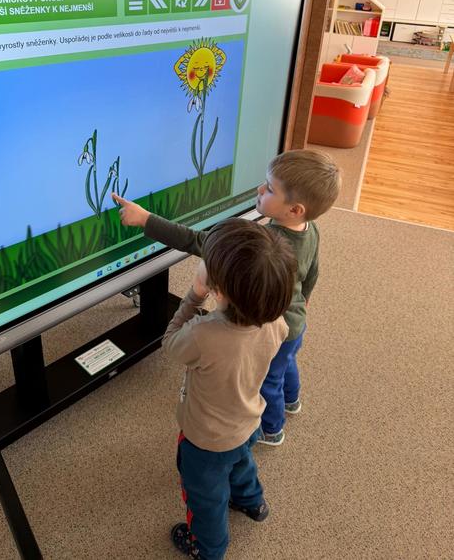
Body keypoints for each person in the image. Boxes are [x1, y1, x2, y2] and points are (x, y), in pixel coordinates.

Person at [112, 148, 341, 447]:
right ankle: (292, 400)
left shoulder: (259, 249)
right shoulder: (310, 229)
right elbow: (313, 270)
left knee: (268, 380)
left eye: (269, 188)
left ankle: (272, 429)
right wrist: (305, 298)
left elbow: (198, 241)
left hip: (270, 327)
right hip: (294, 323)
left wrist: (146, 220)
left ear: (295, 209)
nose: (259, 189)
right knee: (287, 363)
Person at [159, 218, 297, 559]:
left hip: (205, 440)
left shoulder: (202, 335)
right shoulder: (276, 322)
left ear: (218, 292)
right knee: (241, 463)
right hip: (248, 421)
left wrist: (194, 295)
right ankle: (252, 502)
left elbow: (169, 342)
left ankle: (209, 549)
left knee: (205, 497)